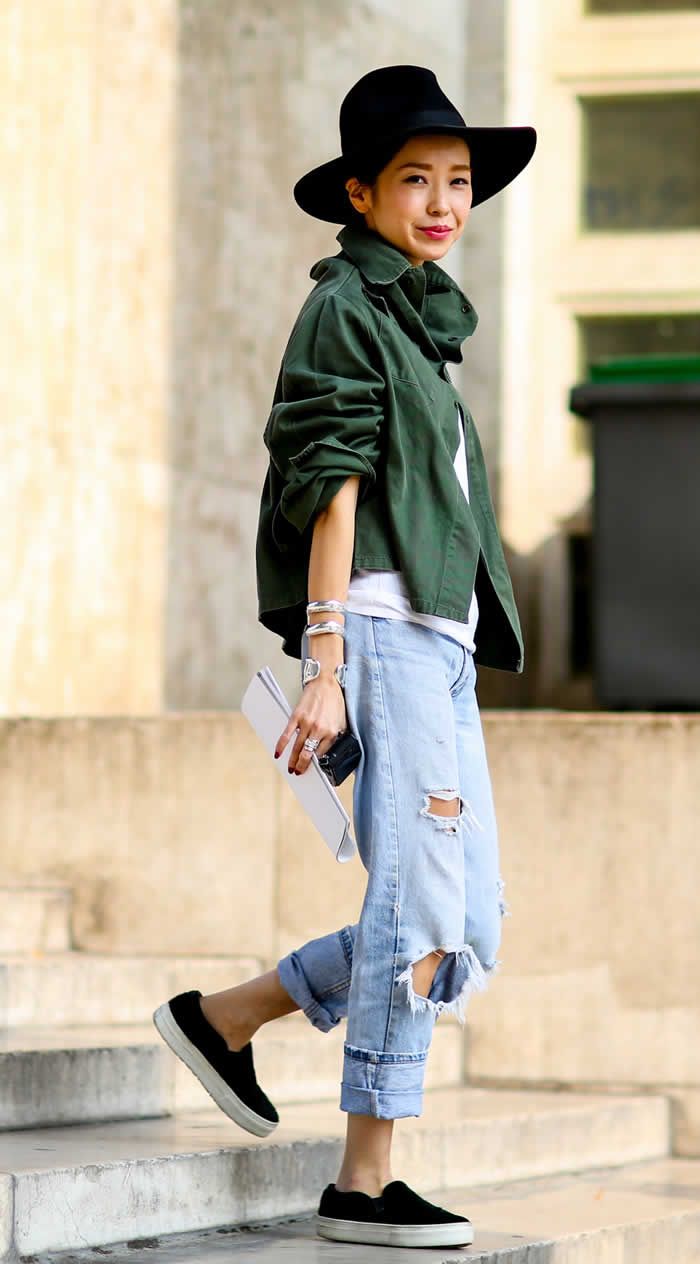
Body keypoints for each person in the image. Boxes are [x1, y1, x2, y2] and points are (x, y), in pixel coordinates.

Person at [153, 64, 536, 1250]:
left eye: (457, 181)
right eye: (415, 180)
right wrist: (322, 659)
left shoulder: (420, 326)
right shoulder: (345, 309)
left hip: (442, 644)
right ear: (360, 194)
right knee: (418, 908)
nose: (442, 202)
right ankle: (363, 1182)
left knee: (469, 921)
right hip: (377, 631)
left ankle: (228, 1016)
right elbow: (332, 483)